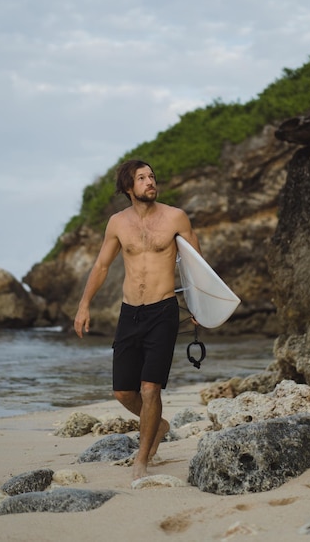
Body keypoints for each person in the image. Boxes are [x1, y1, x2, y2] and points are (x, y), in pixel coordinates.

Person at [74, 159, 201, 480]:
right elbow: (102, 266)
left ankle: (142, 459)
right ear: (128, 188)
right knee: (123, 392)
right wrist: (84, 304)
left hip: (163, 310)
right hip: (130, 312)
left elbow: (195, 265)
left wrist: (199, 306)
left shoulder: (175, 218)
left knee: (149, 389)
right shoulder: (117, 223)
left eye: (152, 176)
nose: (149, 182)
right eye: (141, 178)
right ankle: (158, 425)